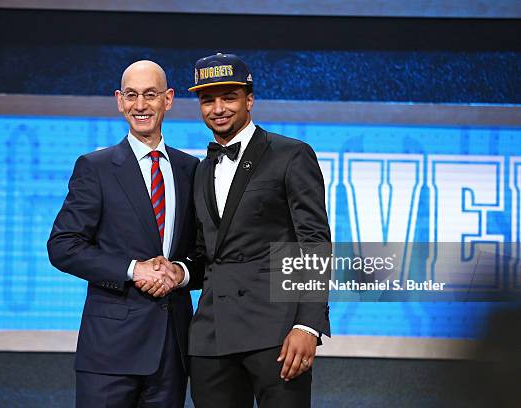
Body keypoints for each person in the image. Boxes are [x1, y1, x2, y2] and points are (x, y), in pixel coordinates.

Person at [47, 60, 199, 408]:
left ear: (169, 99)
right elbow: (63, 246)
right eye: (131, 95)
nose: (140, 105)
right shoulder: (95, 168)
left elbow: (202, 253)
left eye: (150, 95)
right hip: (109, 355)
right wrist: (134, 269)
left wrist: (181, 272)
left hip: (172, 352)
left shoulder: (190, 170)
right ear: (119, 100)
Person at [185, 53, 331, 408]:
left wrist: (307, 326)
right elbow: (207, 253)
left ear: (249, 100)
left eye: (228, 97)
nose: (218, 108)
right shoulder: (201, 170)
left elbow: (313, 243)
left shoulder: (291, 155)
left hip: (276, 334)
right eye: (208, 100)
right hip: (211, 338)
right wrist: (177, 271)